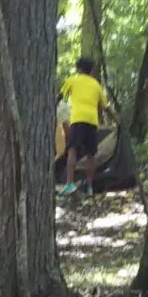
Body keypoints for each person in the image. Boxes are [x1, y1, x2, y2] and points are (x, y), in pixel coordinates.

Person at [59, 57, 110, 195]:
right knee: (91, 154)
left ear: (78, 68)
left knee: (72, 150)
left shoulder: (72, 80)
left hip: (77, 119)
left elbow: (60, 96)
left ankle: (70, 184)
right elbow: (105, 106)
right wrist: (117, 119)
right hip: (92, 121)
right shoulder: (96, 85)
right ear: (91, 70)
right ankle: (89, 186)